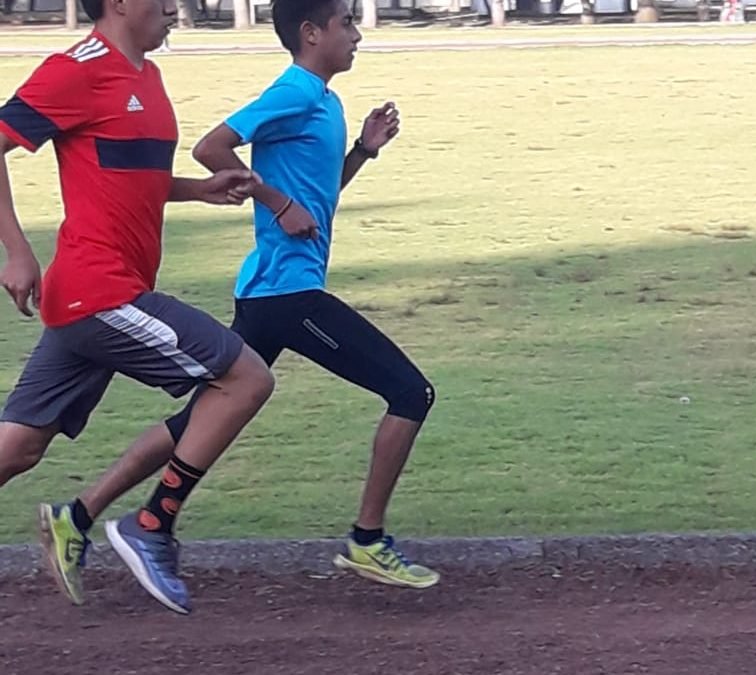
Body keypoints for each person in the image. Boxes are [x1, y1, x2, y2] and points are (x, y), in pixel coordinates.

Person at [41, 0, 440, 605]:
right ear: (311, 34)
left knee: (196, 421)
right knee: (412, 393)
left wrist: (363, 150)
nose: (358, 35)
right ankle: (366, 537)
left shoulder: (327, 102)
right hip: (288, 292)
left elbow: (318, 200)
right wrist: (277, 203)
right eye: (348, 24)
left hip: (270, 289)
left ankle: (78, 514)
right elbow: (211, 149)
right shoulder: (295, 92)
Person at [0, 0, 275, 615]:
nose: (177, 7)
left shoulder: (145, 75)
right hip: (100, 293)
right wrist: (17, 252)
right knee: (247, 379)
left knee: (16, 449)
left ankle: (80, 523)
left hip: (91, 297)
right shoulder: (76, 68)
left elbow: (124, 173)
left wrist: (195, 189)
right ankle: (151, 526)